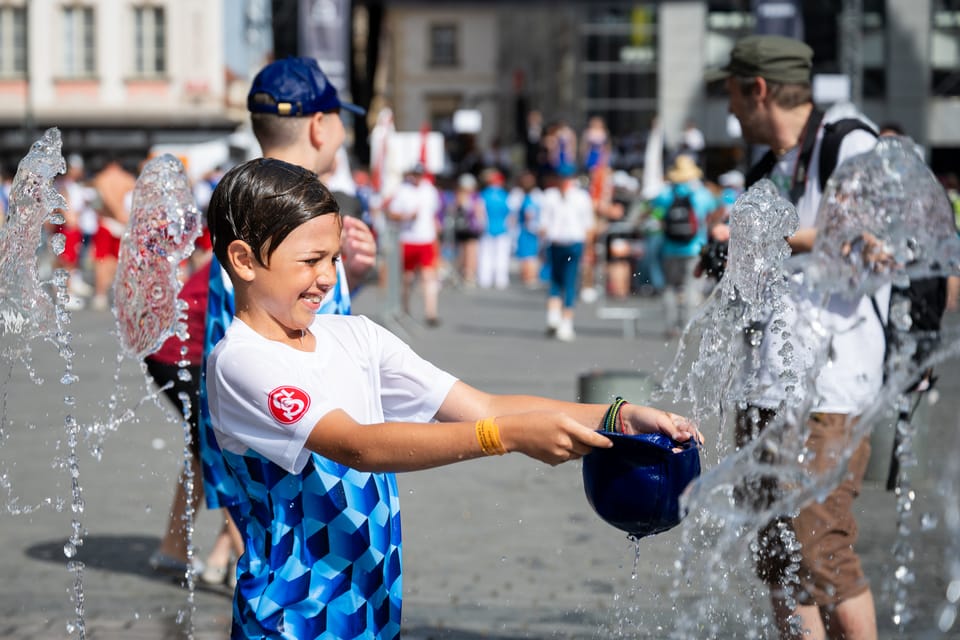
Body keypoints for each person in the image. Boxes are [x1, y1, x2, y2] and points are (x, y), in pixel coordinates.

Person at [204, 157, 700, 639]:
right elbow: (356, 446)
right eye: (311, 261)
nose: (330, 278)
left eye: (332, 258)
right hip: (290, 618)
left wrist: (618, 415)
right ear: (245, 259)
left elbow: (482, 406)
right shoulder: (241, 361)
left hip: (373, 607)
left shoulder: (354, 336)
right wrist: (503, 438)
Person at [708, 34, 881, 639]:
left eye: (732, 93)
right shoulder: (768, 169)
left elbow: (861, 236)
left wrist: (755, 238)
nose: (729, 109)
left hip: (828, 388)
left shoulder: (849, 142)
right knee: (779, 559)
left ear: (757, 89)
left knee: (821, 551)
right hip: (766, 384)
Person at [194, 56, 379, 589]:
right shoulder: (257, 227)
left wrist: (354, 276)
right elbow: (223, 381)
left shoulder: (276, 218)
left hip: (332, 485)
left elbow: (323, 326)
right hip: (302, 503)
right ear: (321, 126)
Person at [651, 155, 716, 338]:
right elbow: (710, 214)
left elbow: (654, 214)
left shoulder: (665, 194)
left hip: (669, 248)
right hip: (694, 248)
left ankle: (670, 326)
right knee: (691, 287)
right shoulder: (701, 194)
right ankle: (687, 324)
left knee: (669, 287)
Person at [539, 166, 595, 342]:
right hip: (555, 244)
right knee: (555, 279)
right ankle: (553, 315)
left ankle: (566, 322)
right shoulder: (550, 196)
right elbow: (543, 224)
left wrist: (588, 248)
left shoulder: (581, 197)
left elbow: (588, 225)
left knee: (570, 281)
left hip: (574, 244)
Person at [385, 163, 442, 325]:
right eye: (415, 175)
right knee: (407, 278)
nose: (418, 178)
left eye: (420, 175)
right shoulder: (403, 190)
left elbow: (434, 215)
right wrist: (406, 217)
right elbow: (391, 213)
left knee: (428, 275)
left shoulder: (430, 190)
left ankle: (431, 312)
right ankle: (405, 308)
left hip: (426, 239)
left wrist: (437, 237)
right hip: (408, 239)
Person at [476, 168, 512, 290]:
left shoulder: (484, 194)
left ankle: (484, 279)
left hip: (487, 228)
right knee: (502, 255)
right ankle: (500, 280)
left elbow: (479, 212)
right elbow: (510, 215)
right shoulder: (505, 195)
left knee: (485, 255)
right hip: (503, 229)